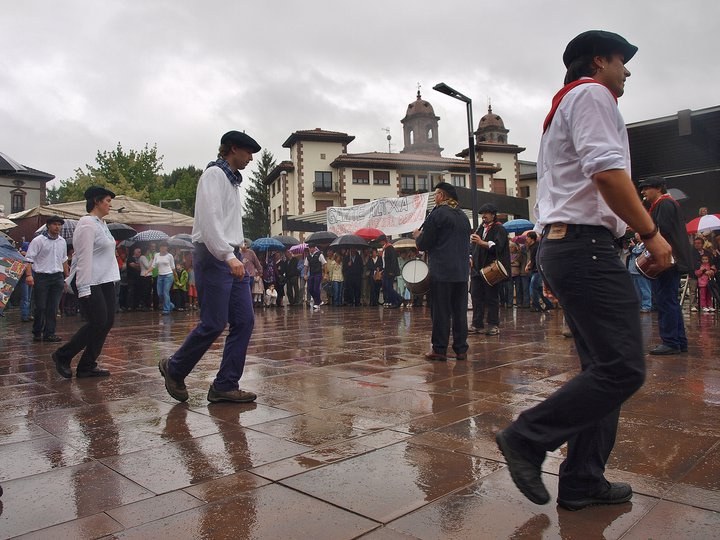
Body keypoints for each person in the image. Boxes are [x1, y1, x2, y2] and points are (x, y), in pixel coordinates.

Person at [495, 31, 673, 511]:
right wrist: (651, 233)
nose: (626, 70)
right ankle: (527, 438)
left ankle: (582, 480)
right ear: (598, 61)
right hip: (584, 247)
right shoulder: (592, 94)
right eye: (621, 61)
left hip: (571, 246)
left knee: (603, 370)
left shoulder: (566, 105)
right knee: (622, 368)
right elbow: (608, 174)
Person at [159, 130, 261, 403]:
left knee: (244, 321)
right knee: (214, 322)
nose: (251, 158)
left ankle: (225, 384)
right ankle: (175, 367)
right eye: (248, 152)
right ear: (233, 148)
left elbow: (226, 223)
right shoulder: (214, 175)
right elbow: (209, 221)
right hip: (215, 255)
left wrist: (235, 253)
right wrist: (228, 255)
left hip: (231, 255)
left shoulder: (232, 182)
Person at [52, 186, 121, 378]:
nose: (110, 205)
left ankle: (87, 365)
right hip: (88, 279)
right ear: (97, 201)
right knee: (98, 321)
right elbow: (83, 257)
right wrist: (83, 288)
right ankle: (63, 355)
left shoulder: (102, 224)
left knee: (107, 322)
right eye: (107, 201)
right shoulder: (87, 223)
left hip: (104, 279)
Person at [413, 182, 471, 361]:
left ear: (443, 196)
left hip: (442, 271)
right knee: (459, 311)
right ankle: (461, 349)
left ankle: (439, 349)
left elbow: (425, 243)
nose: (435, 197)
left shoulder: (437, 214)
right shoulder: (463, 216)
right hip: (461, 272)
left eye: (436, 194)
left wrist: (418, 237)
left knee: (441, 311)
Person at [639, 176, 691, 354]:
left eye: (647, 188)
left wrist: (643, 233)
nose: (643, 192)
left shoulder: (664, 204)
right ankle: (678, 341)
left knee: (665, 301)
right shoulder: (667, 204)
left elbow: (662, 230)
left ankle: (670, 341)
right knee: (670, 300)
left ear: (658, 188)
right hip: (671, 259)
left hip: (666, 260)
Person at [24, 215, 69, 343]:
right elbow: (29, 259)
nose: (57, 227)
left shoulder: (62, 241)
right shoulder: (38, 241)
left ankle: (50, 333)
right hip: (42, 276)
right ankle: (37, 331)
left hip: (57, 276)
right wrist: (29, 275)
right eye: (54, 224)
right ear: (48, 226)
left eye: (59, 225)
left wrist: (66, 276)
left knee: (53, 307)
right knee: (41, 306)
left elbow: (64, 259)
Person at [470, 203, 511, 335]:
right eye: (482, 214)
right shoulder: (480, 229)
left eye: (486, 213)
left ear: (493, 215)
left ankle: (493, 325)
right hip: (477, 269)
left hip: (490, 269)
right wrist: (471, 257)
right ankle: (477, 324)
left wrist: (482, 242)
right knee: (476, 297)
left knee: (491, 297)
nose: (484, 216)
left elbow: (498, 248)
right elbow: (473, 247)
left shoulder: (499, 229)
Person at [148, 242, 176, 315]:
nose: (163, 248)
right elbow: (153, 265)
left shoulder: (170, 256)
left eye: (164, 246)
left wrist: (175, 276)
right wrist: (147, 271)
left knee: (165, 292)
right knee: (160, 293)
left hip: (168, 275)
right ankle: (170, 305)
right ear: (159, 248)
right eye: (161, 247)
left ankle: (166, 310)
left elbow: (173, 267)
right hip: (160, 276)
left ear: (167, 248)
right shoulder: (156, 255)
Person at [627, 233, 652, 312]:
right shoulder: (637, 245)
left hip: (642, 270)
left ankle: (647, 306)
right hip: (633, 270)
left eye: (637, 234)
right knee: (636, 290)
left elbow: (639, 252)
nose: (636, 236)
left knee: (644, 289)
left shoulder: (646, 245)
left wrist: (633, 247)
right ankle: (639, 305)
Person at [378, 235, 403, 309]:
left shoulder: (390, 248)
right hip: (385, 270)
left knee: (389, 287)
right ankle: (394, 300)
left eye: (380, 241)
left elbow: (393, 260)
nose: (380, 243)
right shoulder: (384, 249)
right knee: (386, 287)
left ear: (383, 241)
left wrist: (391, 271)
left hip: (390, 271)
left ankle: (398, 299)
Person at [688, 236, 708, 312]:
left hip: (704, 275)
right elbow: (691, 263)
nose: (697, 245)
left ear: (702, 244)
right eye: (695, 243)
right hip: (693, 274)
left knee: (704, 291)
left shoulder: (707, 252)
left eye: (699, 243)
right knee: (693, 290)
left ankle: (704, 305)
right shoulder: (691, 252)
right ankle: (693, 305)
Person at [306, 245, 326, 310]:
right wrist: (305, 274)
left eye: (311, 248)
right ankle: (319, 300)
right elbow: (306, 266)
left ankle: (316, 303)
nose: (310, 249)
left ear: (314, 248)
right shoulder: (308, 256)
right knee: (310, 289)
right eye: (309, 248)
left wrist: (325, 274)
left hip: (318, 274)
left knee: (316, 288)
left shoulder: (319, 254)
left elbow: (324, 264)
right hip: (311, 274)